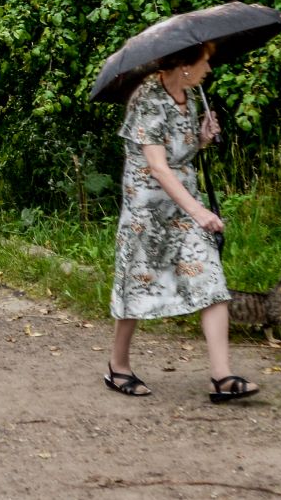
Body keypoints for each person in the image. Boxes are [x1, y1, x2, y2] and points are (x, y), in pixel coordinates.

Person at [104, 40, 260, 403]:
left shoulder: (190, 97)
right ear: (184, 65)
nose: (209, 69)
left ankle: (222, 378)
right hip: (147, 213)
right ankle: (118, 366)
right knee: (136, 288)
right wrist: (200, 212)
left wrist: (202, 140)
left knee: (211, 279)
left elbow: (180, 151)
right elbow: (158, 167)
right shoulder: (147, 98)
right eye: (205, 62)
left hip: (185, 209)